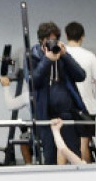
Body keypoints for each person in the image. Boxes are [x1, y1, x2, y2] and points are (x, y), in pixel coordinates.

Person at [29, 21, 88, 165]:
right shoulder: (33, 56)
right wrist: (47, 60)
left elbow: (81, 75)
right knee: (50, 158)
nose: (52, 43)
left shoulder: (62, 55)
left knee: (73, 154)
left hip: (67, 114)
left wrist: (65, 56)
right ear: (42, 41)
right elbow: (33, 82)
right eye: (49, 40)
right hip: (46, 116)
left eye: (55, 39)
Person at [64, 21, 96, 162]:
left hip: (65, 107)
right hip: (86, 107)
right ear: (83, 37)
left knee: (62, 146)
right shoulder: (90, 56)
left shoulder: (61, 55)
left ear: (66, 35)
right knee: (84, 145)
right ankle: (86, 178)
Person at [0, 73, 33, 164]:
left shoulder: (28, 95)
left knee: (23, 138)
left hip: (43, 131)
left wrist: (6, 86)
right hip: (50, 128)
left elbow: (10, 105)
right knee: (24, 137)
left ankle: (29, 166)